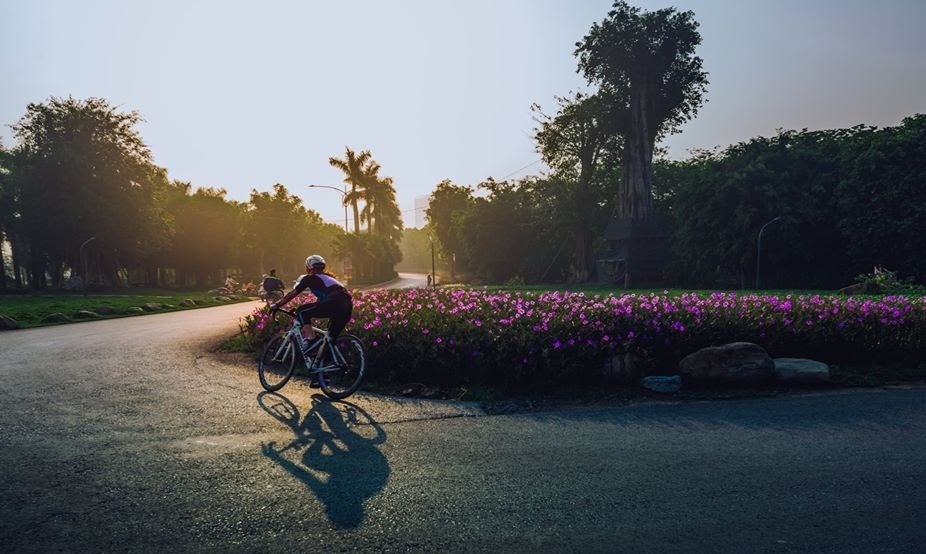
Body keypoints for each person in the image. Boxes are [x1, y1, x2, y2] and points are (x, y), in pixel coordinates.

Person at [270, 255, 353, 385]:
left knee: (301, 311)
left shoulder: (310, 278)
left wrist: (277, 305)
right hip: (347, 306)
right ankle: (320, 376)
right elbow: (323, 301)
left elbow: (293, 293)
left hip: (334, 302)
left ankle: (311, 340)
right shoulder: (329, 279)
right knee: (328, 340)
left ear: (308, 267)